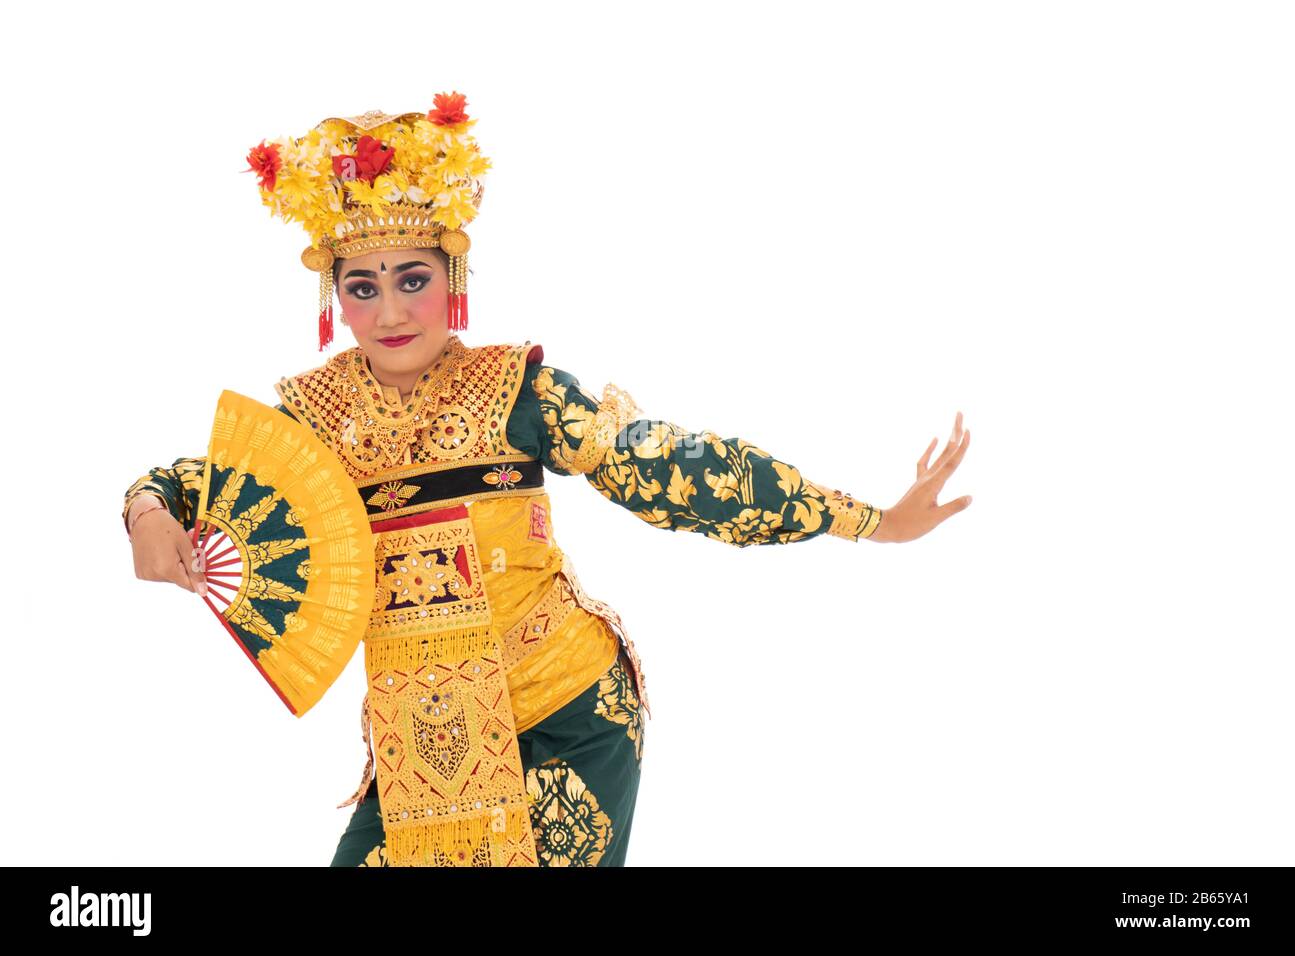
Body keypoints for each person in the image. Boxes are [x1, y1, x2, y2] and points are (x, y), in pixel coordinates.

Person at [122, 90, 974, 867]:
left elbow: (671, 469)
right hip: (424, 736)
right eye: (363, 285)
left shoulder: (517, 389)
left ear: (453, 279)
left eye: (412, 279)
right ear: (335, 297)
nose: (388, 312)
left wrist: (868, 520)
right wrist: (149, 512)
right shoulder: (313, 421)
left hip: (569, 714)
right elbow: (185, 481)